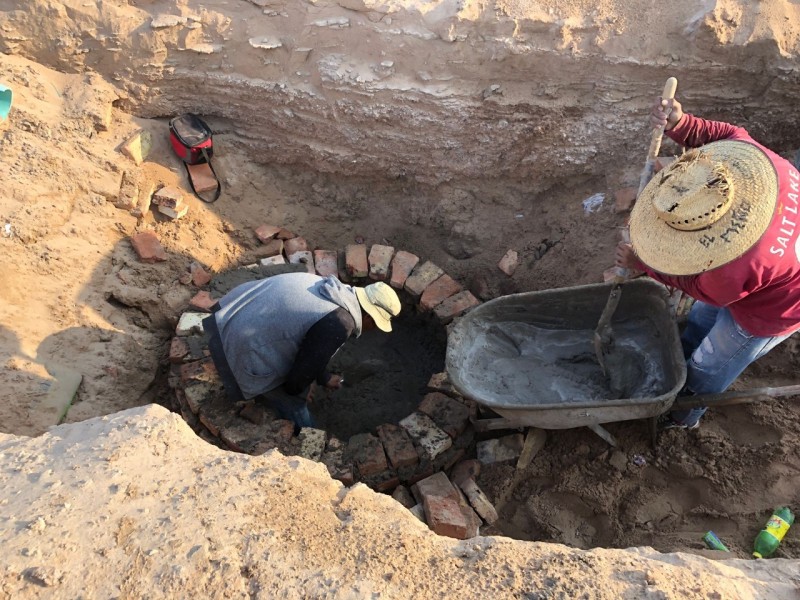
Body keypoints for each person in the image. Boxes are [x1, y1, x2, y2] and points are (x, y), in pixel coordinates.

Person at [615, 95, 800, 430]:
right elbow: (728, 134)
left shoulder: (732, 269)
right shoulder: (764, 168)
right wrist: (681, 123)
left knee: (709, 366)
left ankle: (683, 416)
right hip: (770, 272)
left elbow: (705, 290)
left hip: (774, 310)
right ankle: (680, 353)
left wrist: (645, 265)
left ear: (714, 234)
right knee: (700, 320)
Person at [202, 272, 401, 429]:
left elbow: (307, 344)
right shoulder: (340, 324)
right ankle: (308, 437)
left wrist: (322, 377)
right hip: (233, 346)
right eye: (376, 325)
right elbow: (295, 383)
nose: (371, 330)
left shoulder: (328, 288)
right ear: (369, 317)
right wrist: (303, 390)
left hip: (225, 316)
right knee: (294, 404)